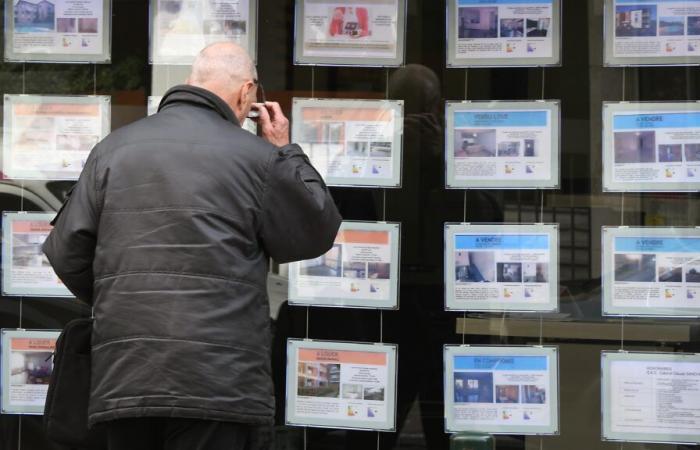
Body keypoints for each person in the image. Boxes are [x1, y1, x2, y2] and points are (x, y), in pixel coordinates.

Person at [42, 42, 342, 450]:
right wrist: (285, 149)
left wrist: (123, 297)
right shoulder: (259, 159)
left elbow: (65, 253)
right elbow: (316, 229)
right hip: (219, 384)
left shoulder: (112, 151)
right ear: (246, 92)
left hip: (127, 377)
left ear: (190, 83)